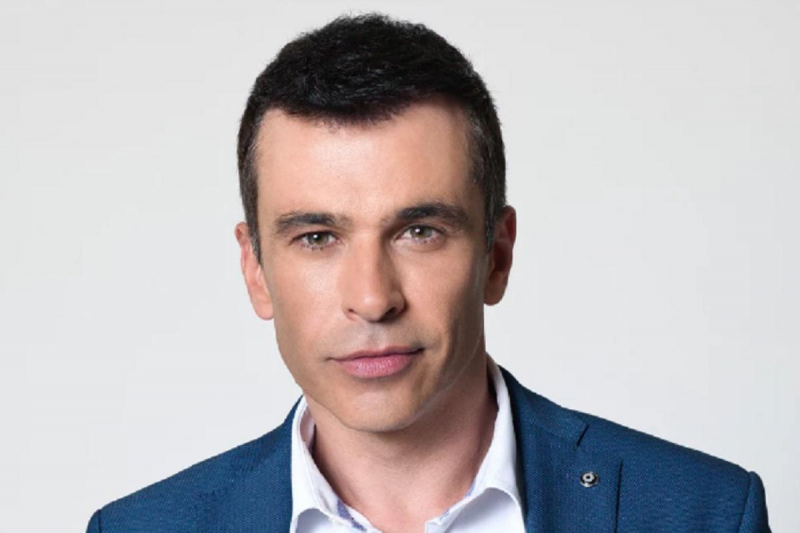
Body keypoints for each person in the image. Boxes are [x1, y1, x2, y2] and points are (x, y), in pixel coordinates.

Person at [86, 13, 770, 533]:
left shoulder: (705, 514)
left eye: (420, 232)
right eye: (317, 237)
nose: (372, 297)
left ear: (496, 255)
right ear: (256, 270)